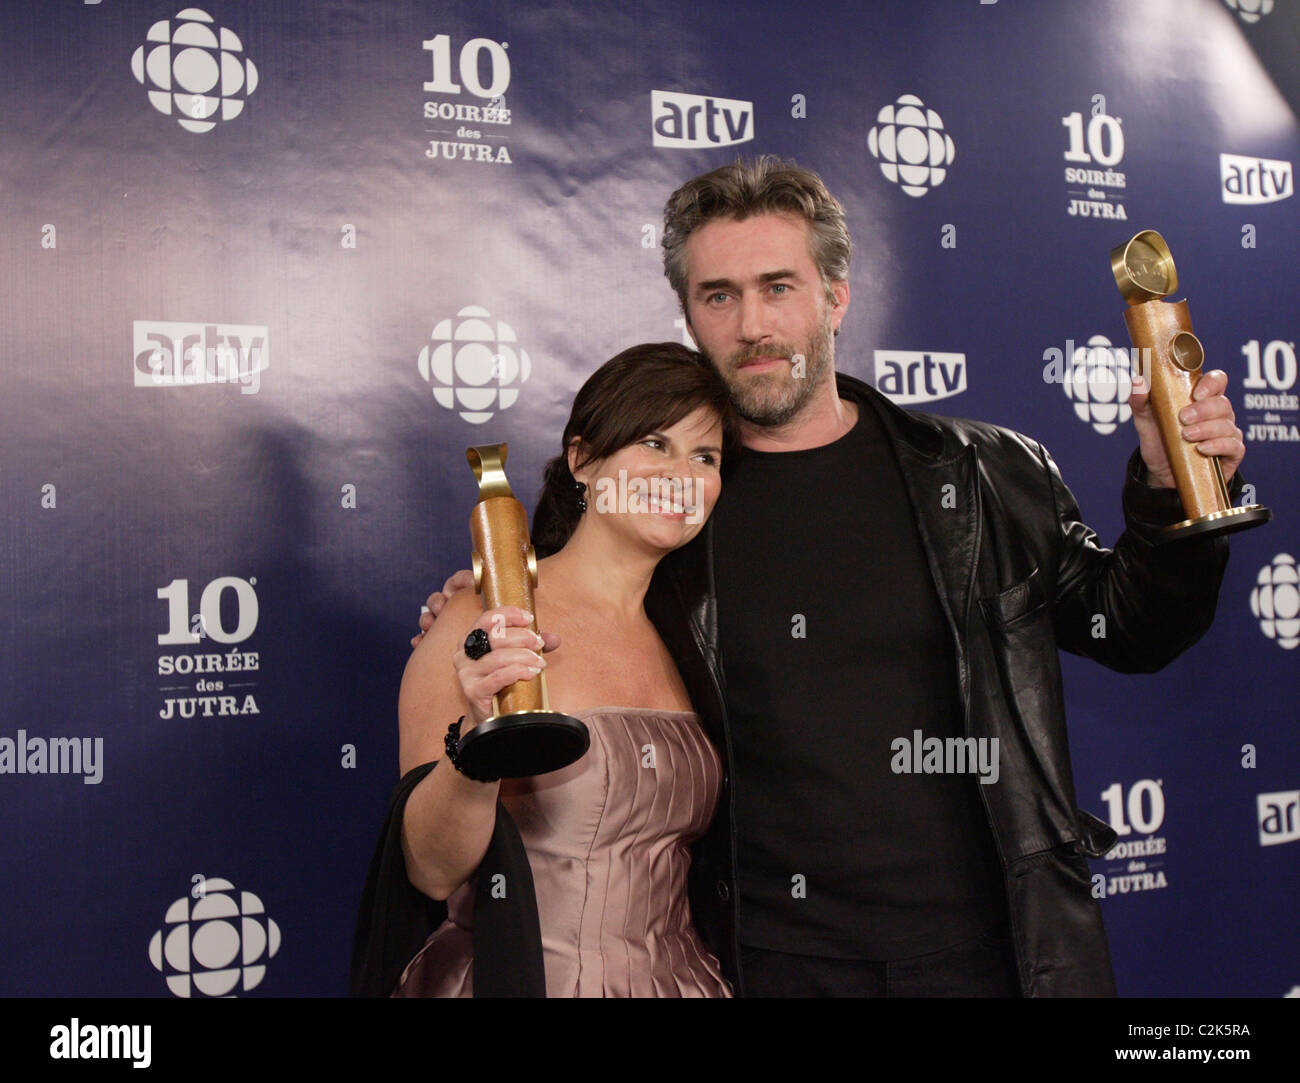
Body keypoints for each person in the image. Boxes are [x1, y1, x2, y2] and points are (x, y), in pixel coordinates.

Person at [412, 157, 1247, 997]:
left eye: (779, 286)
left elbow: (1136, 627)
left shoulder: (984, 475)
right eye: (719, 296)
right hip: (762, 964)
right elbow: (555, 602)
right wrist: (475, 602)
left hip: (992, 952)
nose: (752, 326)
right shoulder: (667, 507)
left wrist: (1173, 489)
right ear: (690, 315)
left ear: (836, 295)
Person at [352, 342, 739, 997]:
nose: (683, 474)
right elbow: (429, 870)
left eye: (706, 456)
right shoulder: (483, 620)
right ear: (583, 461)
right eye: (655, 443)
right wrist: (478, 742)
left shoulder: (697, 635)